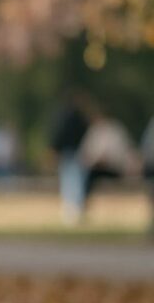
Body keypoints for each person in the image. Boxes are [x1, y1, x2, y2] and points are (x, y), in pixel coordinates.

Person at [78, 107, 137, 215]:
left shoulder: (116, 130)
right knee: (86, 175)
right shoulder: (94, 131)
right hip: (97, 169)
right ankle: (83, 203)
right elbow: (85, 153)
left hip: (115, 168)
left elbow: (121, 152)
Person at [49, 91, 92, 225]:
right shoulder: (77, 118)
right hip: (73, 153)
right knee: (73, 181)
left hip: (71, 153)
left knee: (71, 182)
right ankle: (73, 210)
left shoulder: (67, 117)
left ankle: (72, 210)